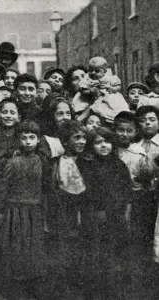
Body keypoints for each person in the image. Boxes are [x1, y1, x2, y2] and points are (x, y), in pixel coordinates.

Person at [77, 126, 132, 299]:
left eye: (107, 142)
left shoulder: (118, 164)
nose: (103, 146)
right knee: (94, 255)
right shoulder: (85, 164)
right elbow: (84, 192)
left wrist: (126, 212)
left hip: (116, 216)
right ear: (91, 145)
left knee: (113, 256)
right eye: (98, 142)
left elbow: (126, 190)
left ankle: (113, 291)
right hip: (94, 216)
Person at [0, 120, 47, 299]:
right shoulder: (13, 162)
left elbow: (44, 186)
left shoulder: (41, 161)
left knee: (34, 247)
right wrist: (2, 210)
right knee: (17, 247)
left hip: (35, 210)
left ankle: (33, 283)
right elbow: (4, 187)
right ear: (18, 140)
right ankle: (17, 286)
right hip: (16, 211)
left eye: (32, 138)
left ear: (38, 139)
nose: (28, 142)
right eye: (24, 138)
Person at [51, 120, 87, 297]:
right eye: (76, 138)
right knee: (65, 254)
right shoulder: (56, 163)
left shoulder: (88, 162)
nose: (81, 141)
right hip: (64, 214)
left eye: (83, 138)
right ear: (65, 142)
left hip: (85, 214)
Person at [113, 111, 147, 246]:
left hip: (134, 197)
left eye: (129, 131)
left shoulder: (139, 152)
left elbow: (143, 177)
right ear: (114, 130)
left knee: (130, 229)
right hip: (114, 196)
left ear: (135, 132)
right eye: (120, 130)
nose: (124, 134)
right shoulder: (110, 149)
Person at [136, 106, 159, 250]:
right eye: (143, 121)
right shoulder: (135, 145)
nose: (148, 123)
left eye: (152, 120)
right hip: (141, 195)